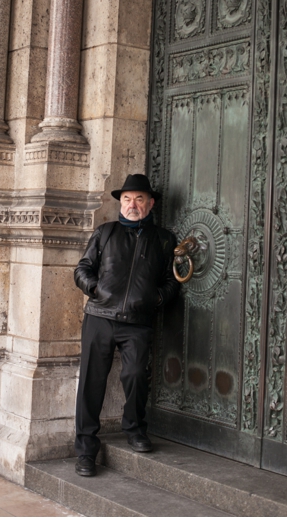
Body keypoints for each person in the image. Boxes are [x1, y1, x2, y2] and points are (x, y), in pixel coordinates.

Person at [72, 174, 179, 477]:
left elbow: (173, 281)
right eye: (128, 199)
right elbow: (82, 269)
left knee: (135, 375)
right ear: (121, 203)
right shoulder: (105, 232)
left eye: (140, 199)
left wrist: (156, 299)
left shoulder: (163, 239)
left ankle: (134, 428)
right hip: (99, 318)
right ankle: (85, 450)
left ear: (150, 203)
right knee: (91, 384)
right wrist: (95, 289)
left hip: (137, 322)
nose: (133, 205)